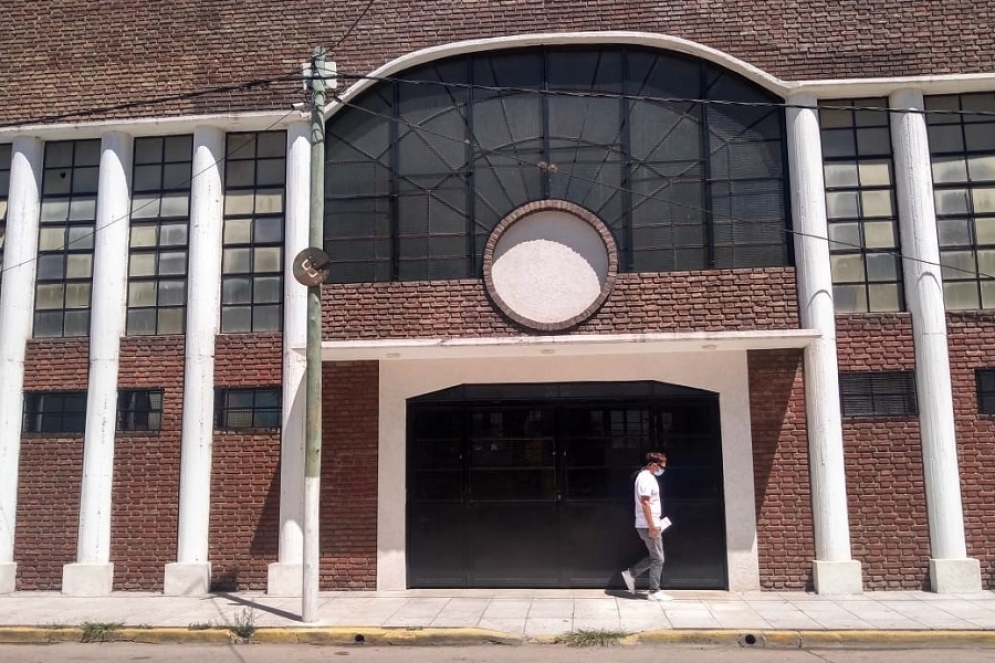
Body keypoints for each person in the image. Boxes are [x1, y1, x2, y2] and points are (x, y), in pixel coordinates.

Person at [621, 451, 672, 601]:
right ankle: (654, 591)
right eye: (661, 467)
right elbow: (645, 503)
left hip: (650, 523)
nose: (662, 470)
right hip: (648, 524)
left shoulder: (647, 477)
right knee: (658, 559)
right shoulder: (645, 479)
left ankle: (631, 574)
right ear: (653, 465)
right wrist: (652, 526)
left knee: (656, 557)